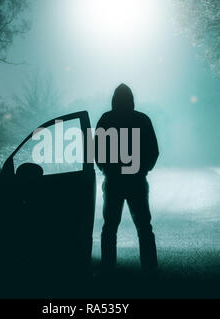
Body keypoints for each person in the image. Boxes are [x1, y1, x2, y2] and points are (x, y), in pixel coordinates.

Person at [95, 83, 159, 272]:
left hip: (113, 181)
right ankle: (149, 267)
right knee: (144, 227)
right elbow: (153, 151)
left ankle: (108, 267)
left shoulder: (106, 119)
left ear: (114, 99)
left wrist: (106, 169)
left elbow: (97, 150)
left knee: (109, 227)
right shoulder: (142, 120)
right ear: (132, 100)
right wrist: (142, 170)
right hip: (136, 181)